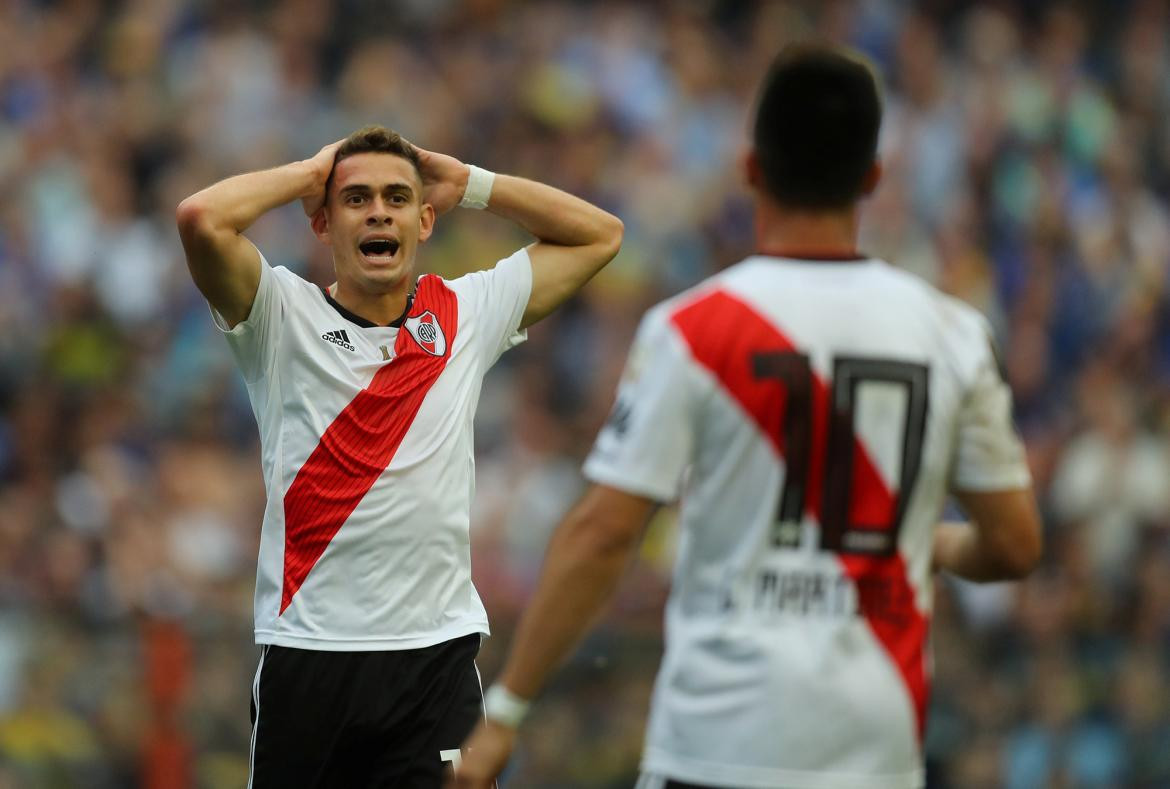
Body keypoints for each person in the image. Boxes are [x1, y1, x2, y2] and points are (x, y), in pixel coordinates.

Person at [455, 43, 1042, 789]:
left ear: (751, 169)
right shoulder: (952, 332)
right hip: (875, 746)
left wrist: (506, 708)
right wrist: (932, 541)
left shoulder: (695, 329)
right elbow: (1016, 544)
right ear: (872, 178)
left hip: (718, 739)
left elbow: (605, 531)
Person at [175, 125, 622, 788]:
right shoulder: (280, 315)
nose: (378, 210)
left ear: (425, 220)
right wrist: (308, 174)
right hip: (311, 656)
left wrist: (473, 183)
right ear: (323, 223)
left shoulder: (466, 311)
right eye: (355, 199)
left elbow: (600, 234)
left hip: (434, 662)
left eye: (396, 197)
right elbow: (201, 218)